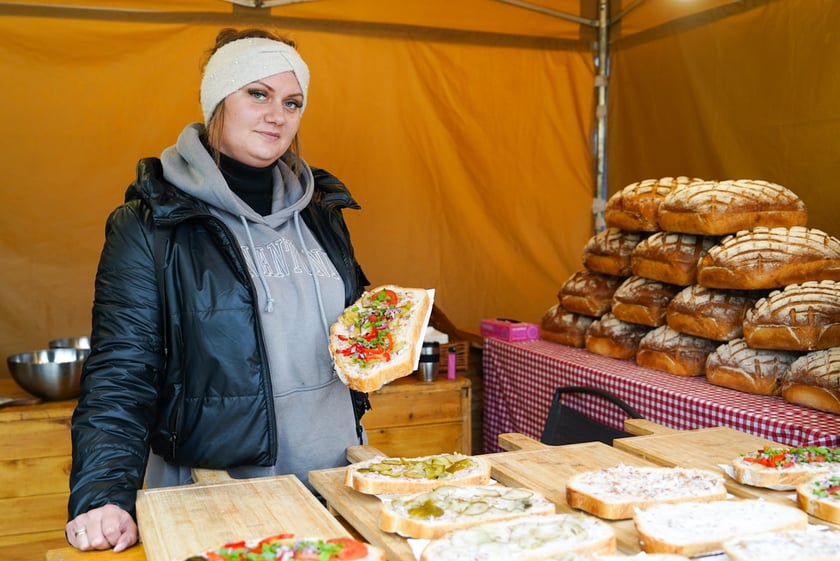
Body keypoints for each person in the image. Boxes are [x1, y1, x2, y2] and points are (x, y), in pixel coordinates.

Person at [65, 27, 370, 552]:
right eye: (258, 93)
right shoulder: (152, 223)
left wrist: (381, 340)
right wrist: (101, 492)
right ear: (217, 102)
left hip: (332, 479)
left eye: (292, 101)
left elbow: (351, 330)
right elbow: (121, 371)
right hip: (218, 492)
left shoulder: (323, 212)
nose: (278, 114)